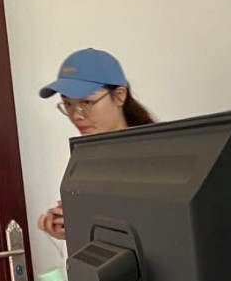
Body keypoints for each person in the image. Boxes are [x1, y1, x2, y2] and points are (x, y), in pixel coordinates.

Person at [36, 48, 155, 240]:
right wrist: (70, 226)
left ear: (120, 96)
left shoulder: (156, 155)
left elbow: (157, 229)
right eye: (68, 104)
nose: (76, 115)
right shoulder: (86, 159)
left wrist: (85, 220)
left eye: (86, 102)